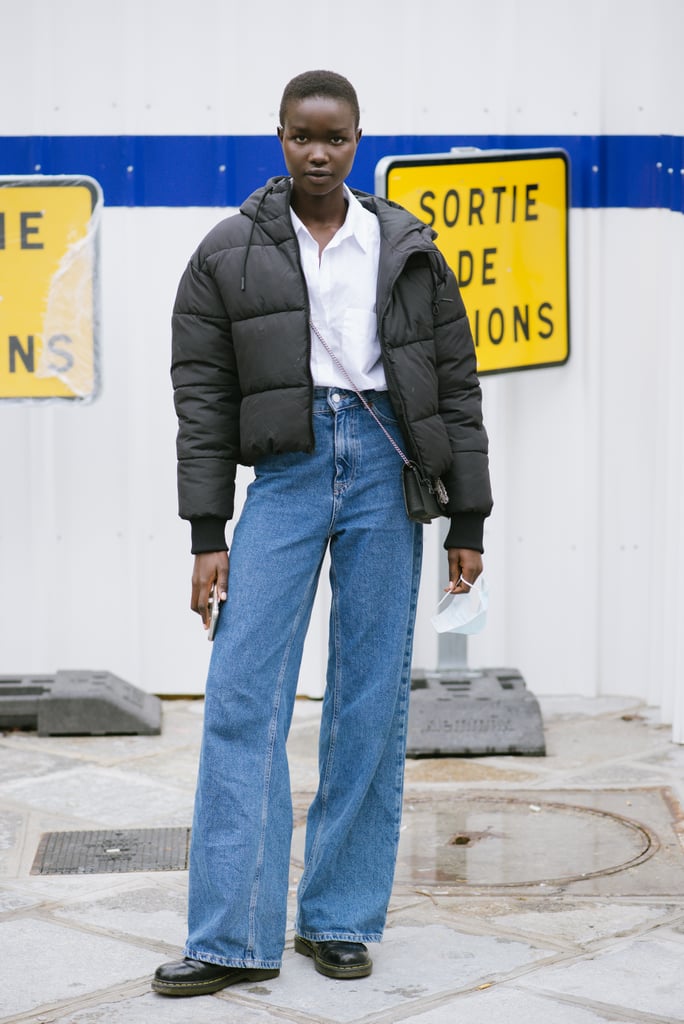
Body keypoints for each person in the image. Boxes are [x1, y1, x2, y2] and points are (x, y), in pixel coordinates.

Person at [153, 69, 492, 997]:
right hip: (290, 472)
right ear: (278, 136)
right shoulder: (228, 252)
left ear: (358, 141)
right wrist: (206, 530)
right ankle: (232, 937)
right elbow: (204, 401)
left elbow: (455, 387)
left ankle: (337, 918)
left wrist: (469, 513)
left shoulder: (407, 246)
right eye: (302, 136)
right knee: (241, 695)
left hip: (388, 464)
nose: (318, 152)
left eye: (335, 137)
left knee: (368, 699)